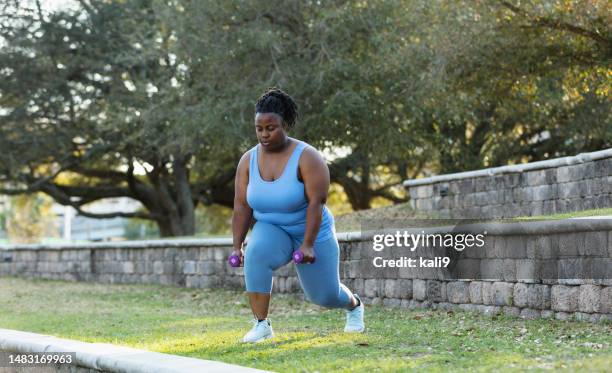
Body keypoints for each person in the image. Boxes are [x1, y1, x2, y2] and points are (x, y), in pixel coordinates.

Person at [231, 87, 365, 343]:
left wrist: (307, 244)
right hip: (272, 227)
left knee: (323, 296)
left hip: (311, 229)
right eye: (259, 128)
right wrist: (237, 247)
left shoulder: (308, 157)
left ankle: (354, 305)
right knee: (256, 253)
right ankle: (261, 325)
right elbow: (241, 206)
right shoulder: (248, 161)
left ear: (286, 124)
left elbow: (317, 203)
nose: (264, 134)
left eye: (271, 128)